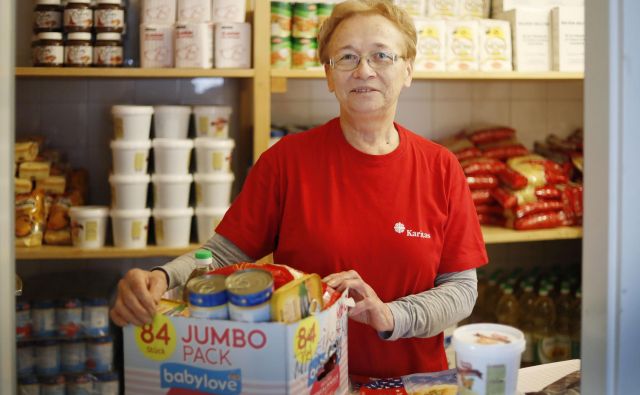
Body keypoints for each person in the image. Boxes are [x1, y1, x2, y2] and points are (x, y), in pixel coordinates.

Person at [110, 0, 488, 378]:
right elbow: (222, 255)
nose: (364, 70)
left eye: (382, 55)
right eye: (346, 57)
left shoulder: (441, 167)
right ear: (328, 74)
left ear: (408, 69)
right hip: (305, 381)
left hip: (414, 384)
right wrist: (163, 277)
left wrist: (390, 314)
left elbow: (460, 290)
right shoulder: (286, 161)